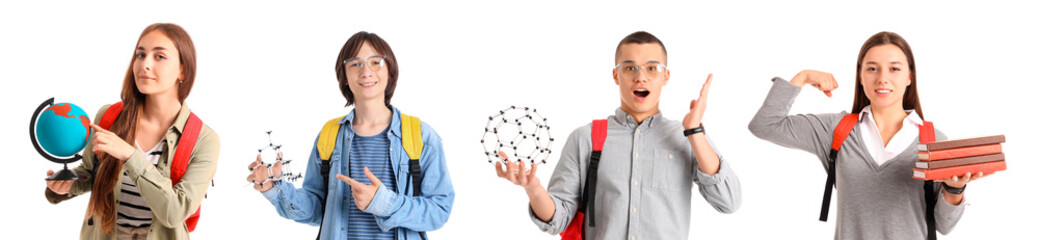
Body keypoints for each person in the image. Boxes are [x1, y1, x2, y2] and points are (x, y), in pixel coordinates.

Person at [494, 31, 741, 240]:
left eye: (652, 68)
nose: (640, 76)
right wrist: (534, 189)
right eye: (630, 67)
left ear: (665, 76)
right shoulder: (586, 138)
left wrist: (695, 131)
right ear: (616, 75)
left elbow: (729, 201)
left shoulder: (686, 137)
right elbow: (557, 220)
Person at [748, 31, 986, 239]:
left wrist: (954, 189)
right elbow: (765, 125)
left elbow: (944, 226)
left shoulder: (933, 140)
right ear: (861, 77)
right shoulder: (836, 130)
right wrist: (802, 77)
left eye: (894, 69)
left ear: (909, 77)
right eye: (872, 68)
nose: (882, 78)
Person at [248, 31, 454, 240]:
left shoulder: (422, 136)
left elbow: (439, 211)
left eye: (376, 62)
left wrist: (383, 202)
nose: (366, 71)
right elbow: (318, 210)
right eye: (355, 64)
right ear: (344, 76)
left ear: (390, 70)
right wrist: (274, 187)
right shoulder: (329, 136)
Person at [44, 23, 220, 239]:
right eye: (140, 54)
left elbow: (174, 212)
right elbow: (90, 172)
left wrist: (129, 155)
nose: (144, 64)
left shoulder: (204, 140)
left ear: (182, 69)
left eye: (160, 57)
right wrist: (66, 185)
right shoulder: (108, 117)